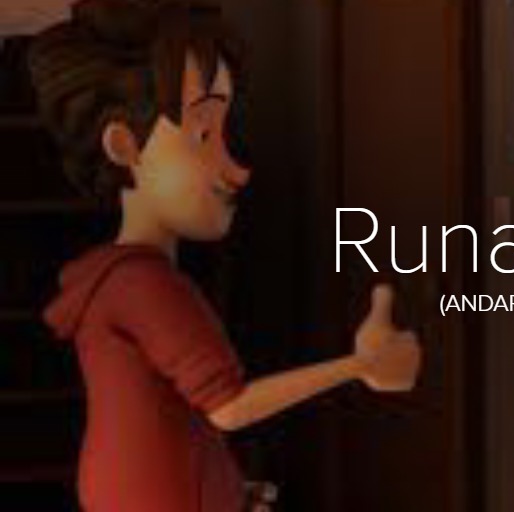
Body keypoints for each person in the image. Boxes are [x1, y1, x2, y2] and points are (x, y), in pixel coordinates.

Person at [30, 1, 423, 510]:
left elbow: (169, 420)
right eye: (203, 133)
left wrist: (230, 489)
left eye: (224, 130)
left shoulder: (114, 279)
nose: (236, 168)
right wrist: (360, 366)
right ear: (124, 145)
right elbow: (228, 408)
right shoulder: (146, 284)